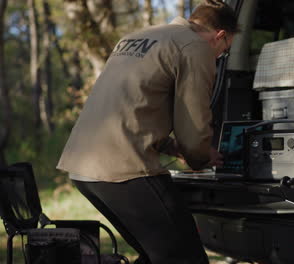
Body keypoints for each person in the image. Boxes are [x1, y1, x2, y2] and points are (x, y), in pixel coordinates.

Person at [56, 1, 239, 263]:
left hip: (83, 168)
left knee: (155, 254)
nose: (220, 57)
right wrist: (199, 156)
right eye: (225, 50)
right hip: (123, 170)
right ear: (220, 35)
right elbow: (193, 117)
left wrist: (171, 147)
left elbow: (132, 106)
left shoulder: (139, 36)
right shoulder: (194, 46)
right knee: (186, 258)